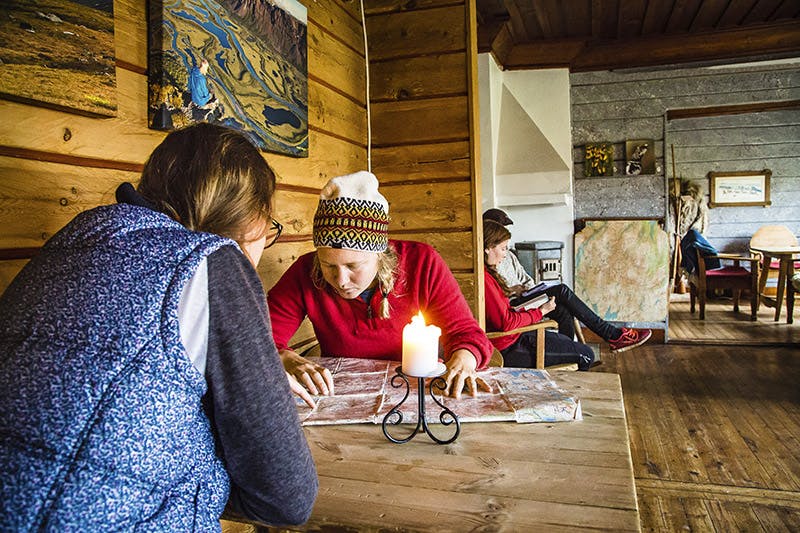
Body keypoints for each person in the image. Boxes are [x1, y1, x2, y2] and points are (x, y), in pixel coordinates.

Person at [0, 124, 317, 530]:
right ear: (248, 218)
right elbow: (288, 497)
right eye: (267, 225)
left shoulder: (73, 237)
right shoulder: (214, 261)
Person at [267, 171, 494, 403]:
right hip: (344, 397)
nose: (341, 280)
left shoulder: (422, 262)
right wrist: (284, 357)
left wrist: (464, 358)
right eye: (328, 266)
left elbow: (466, 334)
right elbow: (260, 336)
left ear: (379, 253)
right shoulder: (306, 270)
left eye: (353, 266)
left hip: (419, 394)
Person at [483, 220, 652, 370]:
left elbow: (523, 279)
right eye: (503, 247)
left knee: (563, 310)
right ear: (488, 247)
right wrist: (540, 312)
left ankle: (568, 349)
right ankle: (611, 335)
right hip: (512, 328)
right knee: (562, 291)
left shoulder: (501, 264)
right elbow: (505, 321)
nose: (505, 253)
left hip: (518, 305)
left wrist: (524, 289)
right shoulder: (485, 278)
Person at [482, 208, 536, 295]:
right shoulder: (488, 267)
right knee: (562, 291)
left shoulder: (509, 255)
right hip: (514, 300)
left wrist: (534, 292)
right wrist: (513, 290)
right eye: (500, 230)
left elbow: (526, 279)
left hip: (525, 296)